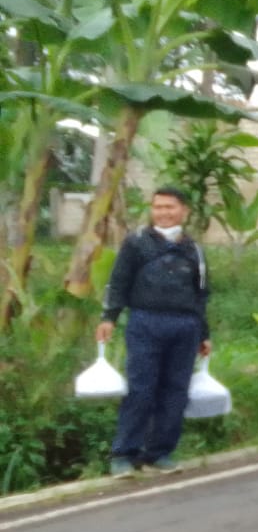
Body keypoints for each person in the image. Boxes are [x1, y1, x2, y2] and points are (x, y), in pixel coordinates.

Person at [97, 186, 211, 477]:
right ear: (152, 210)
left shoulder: (193, 249)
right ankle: (124, 455)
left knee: (175, 391)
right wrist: (109, 317)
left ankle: (159, 454)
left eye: (169, 207)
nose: (163, 213)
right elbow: (119, 281)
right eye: (158, 207)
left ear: (184, 211)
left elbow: (201, 293)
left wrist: (204, 333)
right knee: (141, 389)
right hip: (145, 323)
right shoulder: (136, 243)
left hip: (185, 326)